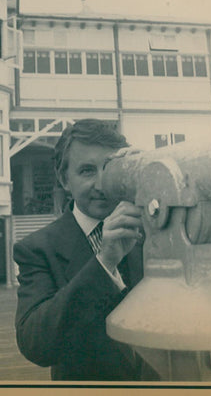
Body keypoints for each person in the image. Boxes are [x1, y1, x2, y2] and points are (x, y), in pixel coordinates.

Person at [13, 119, 157, 381]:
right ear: (64, 179)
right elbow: (36, 345)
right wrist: (105, 262)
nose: (102, 185)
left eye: (110, 169)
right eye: (87, 171)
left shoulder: (153, 231)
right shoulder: (37, 249)